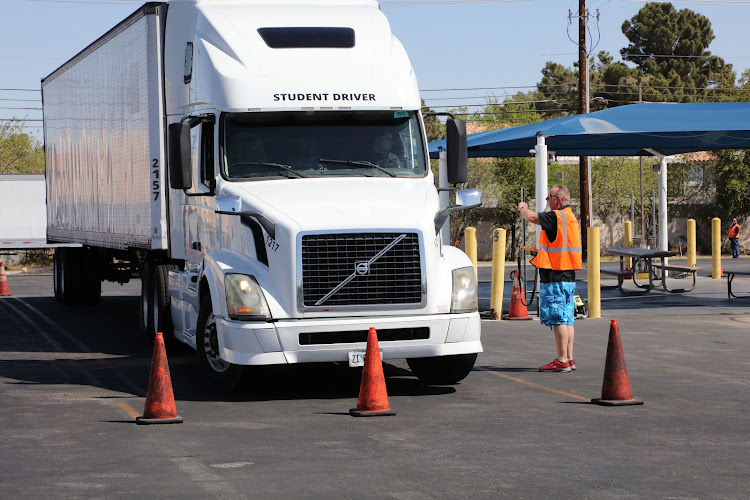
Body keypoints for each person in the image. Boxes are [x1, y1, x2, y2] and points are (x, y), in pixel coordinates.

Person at [518, 185, 582, 373]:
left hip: (555, 275)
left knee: (558, 318)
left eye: (550, 197)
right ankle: (568, 358)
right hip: (567, 273)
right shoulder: (570, 217)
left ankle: (562, 360)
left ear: (559, 200)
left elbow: (531, 217)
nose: (547, 200)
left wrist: (522, 207)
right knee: (567, 318)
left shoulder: (557, 216)